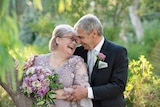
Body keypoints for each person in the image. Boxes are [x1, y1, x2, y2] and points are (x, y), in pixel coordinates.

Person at [66, 14, 128, 107]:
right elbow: (58, 59)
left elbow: (118, 86)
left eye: (81, 37)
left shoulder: (118, 52)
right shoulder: (78, 52)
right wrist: (38, 58)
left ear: (94, 33)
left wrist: (87, 92)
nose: (78, 41)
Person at [23, 24, 93, 107]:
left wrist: (51, 94)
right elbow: (26, 84)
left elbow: (80, 91)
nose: (74, 43)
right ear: (58, 40)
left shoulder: (77, 62)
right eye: (71, 39)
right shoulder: (38, 60)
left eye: (75, 41)